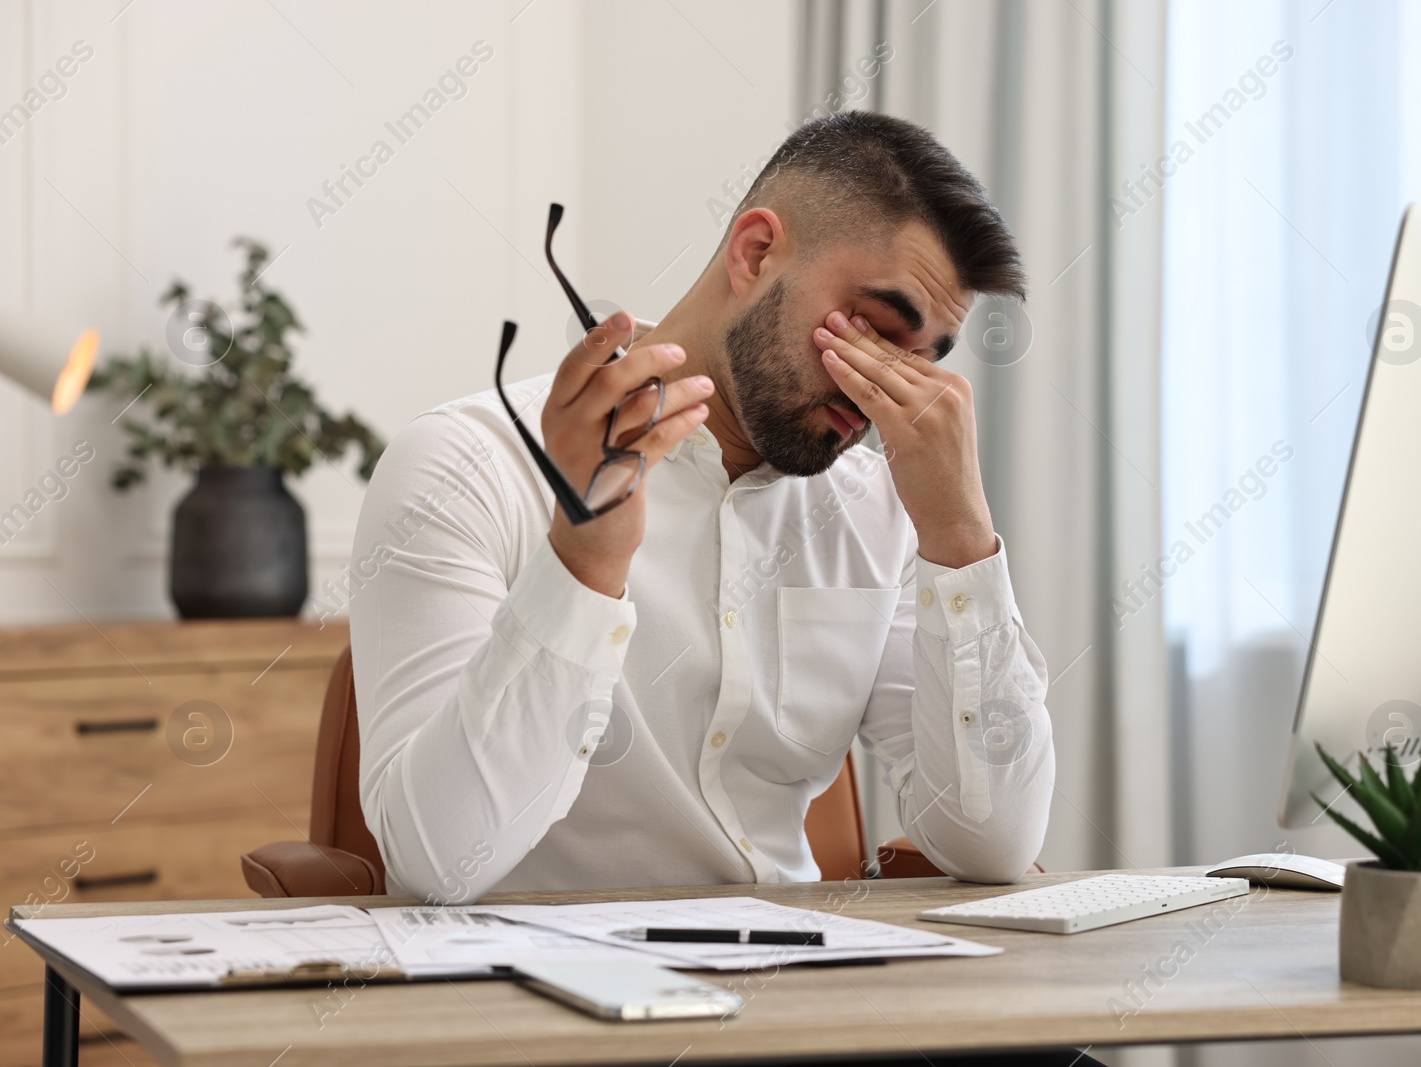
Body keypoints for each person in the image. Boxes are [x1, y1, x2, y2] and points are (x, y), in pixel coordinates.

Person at [349, 111, 1055, 903]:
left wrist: (961, 537)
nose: (890, 388)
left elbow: (991, 843)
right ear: (756, 253)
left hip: (807, 992)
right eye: (877, 330)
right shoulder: (464, 466)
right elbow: (437, 863)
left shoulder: (879, 510)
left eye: (923, 360)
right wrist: (582, 566)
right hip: (543, 1000)